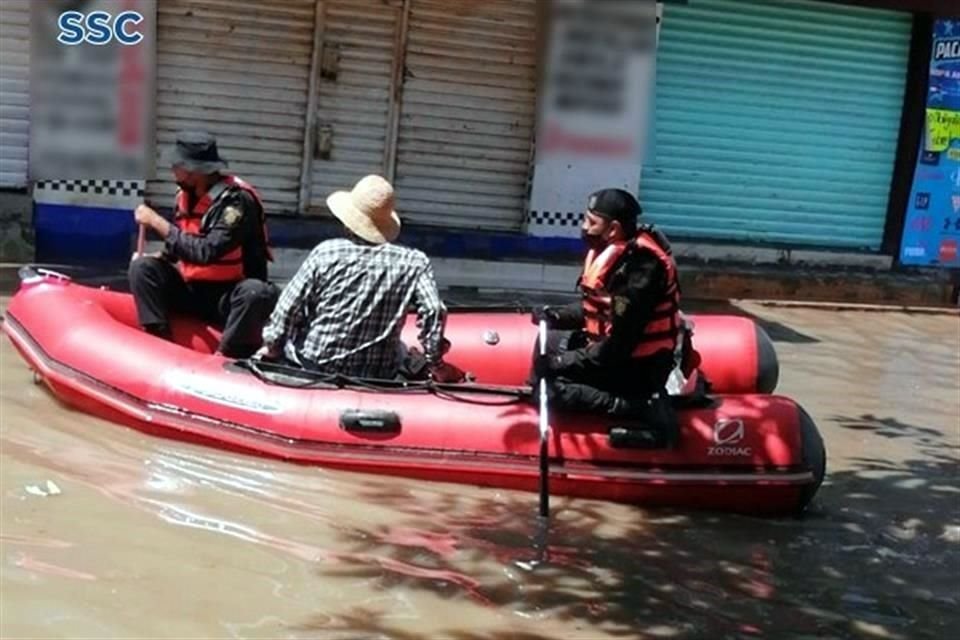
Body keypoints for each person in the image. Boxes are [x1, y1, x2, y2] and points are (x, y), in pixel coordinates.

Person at [256, 174, 465, 383]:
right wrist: (436, 363)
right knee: (403, 351)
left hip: (316, 366)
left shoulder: (327, 252)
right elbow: (434, 309)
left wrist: (272, 346)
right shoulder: (414, 262)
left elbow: (289, 307)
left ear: (348, 221)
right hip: (379, 374)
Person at [530, 188, 685, 418]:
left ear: (613, 229)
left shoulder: (639, 273)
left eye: (591, 222)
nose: (584, 227)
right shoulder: (617, 254)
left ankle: (630, 406)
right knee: (548, 342)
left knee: (549, 391)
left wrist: (561, 362)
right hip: (615, 354)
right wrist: (556, 315)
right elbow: (599, 311)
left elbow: (618, 346)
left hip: (638, 368)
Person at [129, 131, 279, 358]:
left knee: (255, 293)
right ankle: (158, 344)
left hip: (230, 299)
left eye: (176, 166)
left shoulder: (236, 203)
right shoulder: (185, 194)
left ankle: (225, 359)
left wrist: (156, 222)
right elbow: (178, 246)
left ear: (193, 171)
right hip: (193, 291)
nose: (172, 171)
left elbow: (206, 251)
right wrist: (158, 258)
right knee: (142, 268)